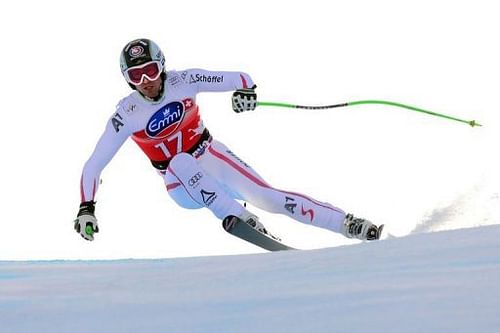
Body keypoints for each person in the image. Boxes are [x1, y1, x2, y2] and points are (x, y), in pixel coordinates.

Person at [74, 38, 383, 245]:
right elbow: (93, 165)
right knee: (179, 161)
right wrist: (86, 208)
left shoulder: (187, 80)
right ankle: (237, 215)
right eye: (136, 76)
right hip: (180, 183)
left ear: (162, 65)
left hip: (211, 155)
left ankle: (350, 224)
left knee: (270, 198)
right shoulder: (127, 113)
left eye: (151, 70)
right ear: (127, 79)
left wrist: (244, 94)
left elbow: (241, 78)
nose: (147, 81)